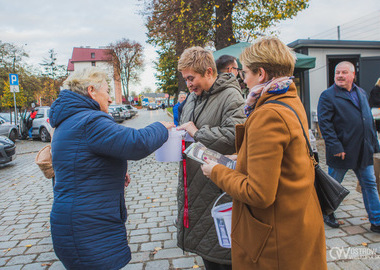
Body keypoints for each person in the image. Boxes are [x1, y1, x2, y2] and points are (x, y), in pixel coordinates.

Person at [201, 37, 327, 269]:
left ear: (261, 73)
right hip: (298, 221)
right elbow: (286, 158)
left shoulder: (267, 114)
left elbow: (259, 193)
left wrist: (216, 171)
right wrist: (242, 158)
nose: (242, 78)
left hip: (275, 240)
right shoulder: (289, 99)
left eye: (245, 72)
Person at [49, 67, 174, 270]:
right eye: (107, 91)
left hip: (80, 220)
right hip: (89, 226)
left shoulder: (69, 121)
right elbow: (136, 143)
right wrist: (160, 127)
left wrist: (114, 173)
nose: (109, 99)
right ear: (91, 90)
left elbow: (80, 164)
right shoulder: (90, 121)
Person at [176, 47, 245, 270]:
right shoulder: (193, 98)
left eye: (191, 78)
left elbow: (235, 136)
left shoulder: (231, 95)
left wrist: (197, 132)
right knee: (208, 254)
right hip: (194, 186)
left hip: (218, 189)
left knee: (223, 256)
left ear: (208, 72)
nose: (188, 83)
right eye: (185, 79)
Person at [318, 61, 380, 233]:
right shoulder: (328, 95)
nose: (339, 75)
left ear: (353, 75)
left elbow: (368, 119)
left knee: (370, 184)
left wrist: (374, 143)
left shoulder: (361, 92)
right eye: (337, 72)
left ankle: (377, 220)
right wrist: (335, 146)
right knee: (333, 185)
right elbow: (325, 124)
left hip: (363, 150)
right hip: (342, 151)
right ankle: (327, 212)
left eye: (344, 72)